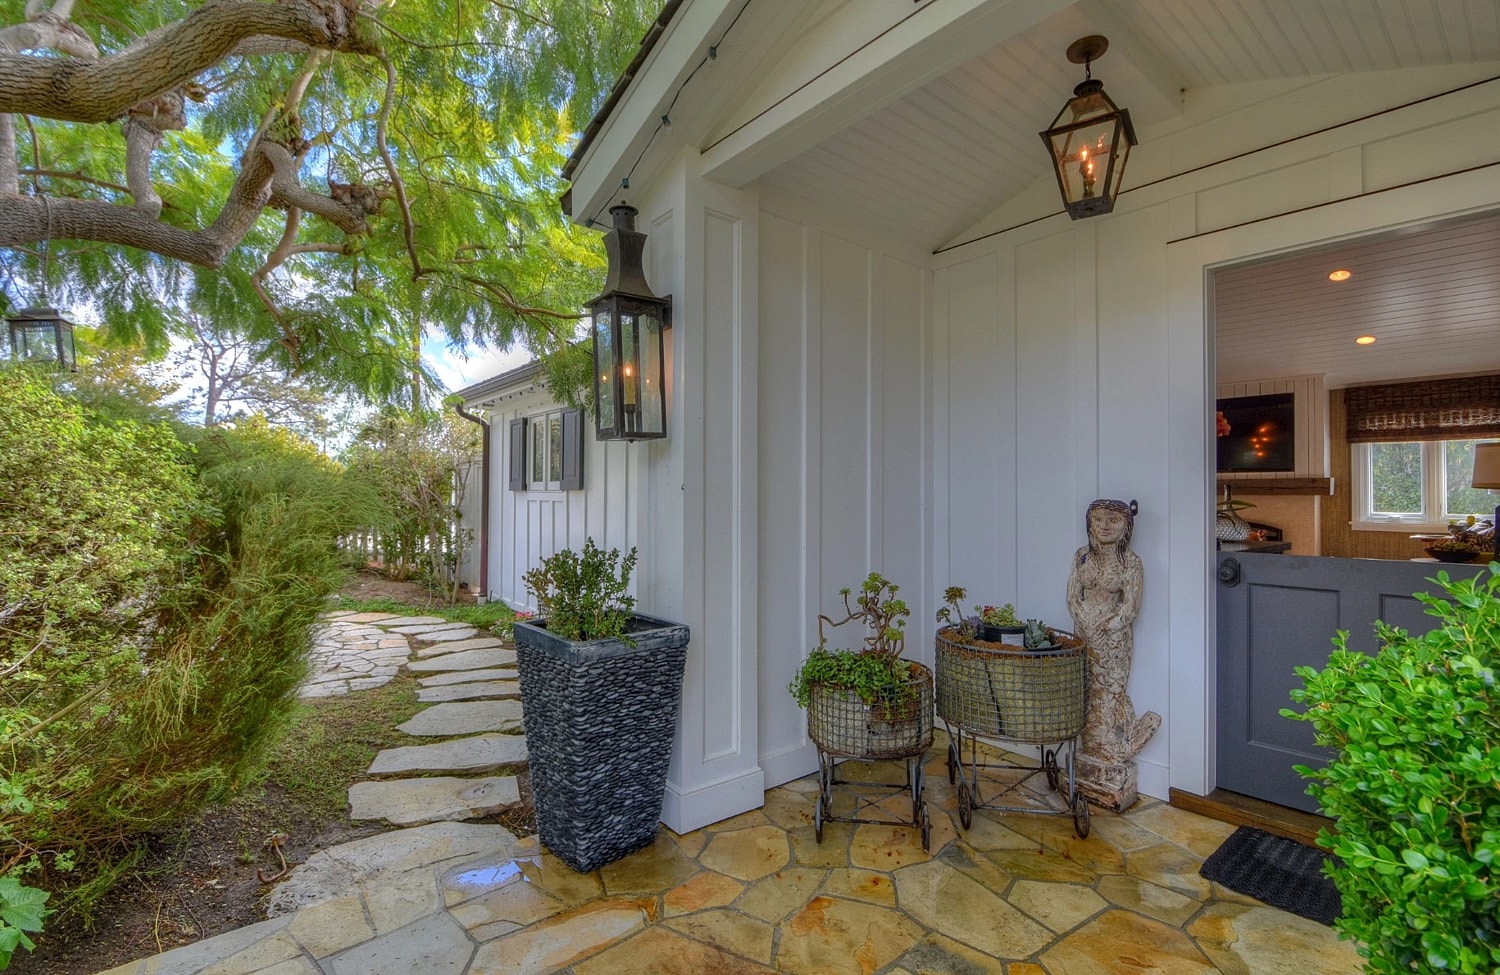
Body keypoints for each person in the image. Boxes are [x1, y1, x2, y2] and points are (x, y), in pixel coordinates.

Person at [1066, 499, 1160, 764]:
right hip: (1081, 633)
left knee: (1109, 693)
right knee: (1083, 688)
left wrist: (1107, 626)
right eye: (1098, 520)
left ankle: (1111, 746)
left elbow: (1130, 608)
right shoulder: (1081, 556)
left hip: (1113, 640)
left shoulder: (1130, 562)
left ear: (1126, 526)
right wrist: (1083, 620)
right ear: (1089, 524)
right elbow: (1073, 597)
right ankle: (1091, 746)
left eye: (1113, 521)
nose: (1105, 526)